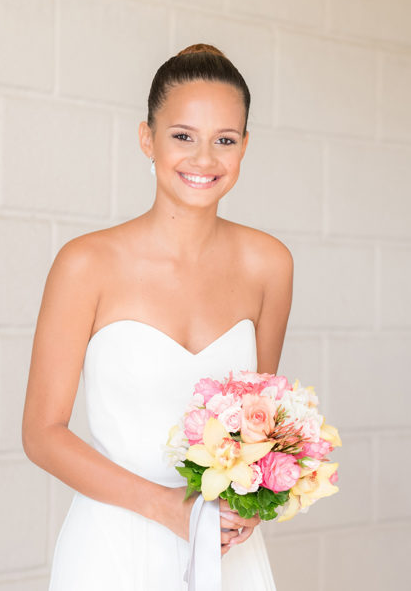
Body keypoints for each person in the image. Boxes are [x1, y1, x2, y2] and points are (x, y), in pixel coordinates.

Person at [22, 43, 293, 590]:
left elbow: (257, 427)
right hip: (112, 548)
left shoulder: (269, 264)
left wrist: (252, 500)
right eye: (182, 136)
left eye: (225, 140)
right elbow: (41, 434)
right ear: (148, 137)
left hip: (224, 555)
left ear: (244, 146)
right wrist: (171, 509)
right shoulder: (86, 264)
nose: (204, 159)